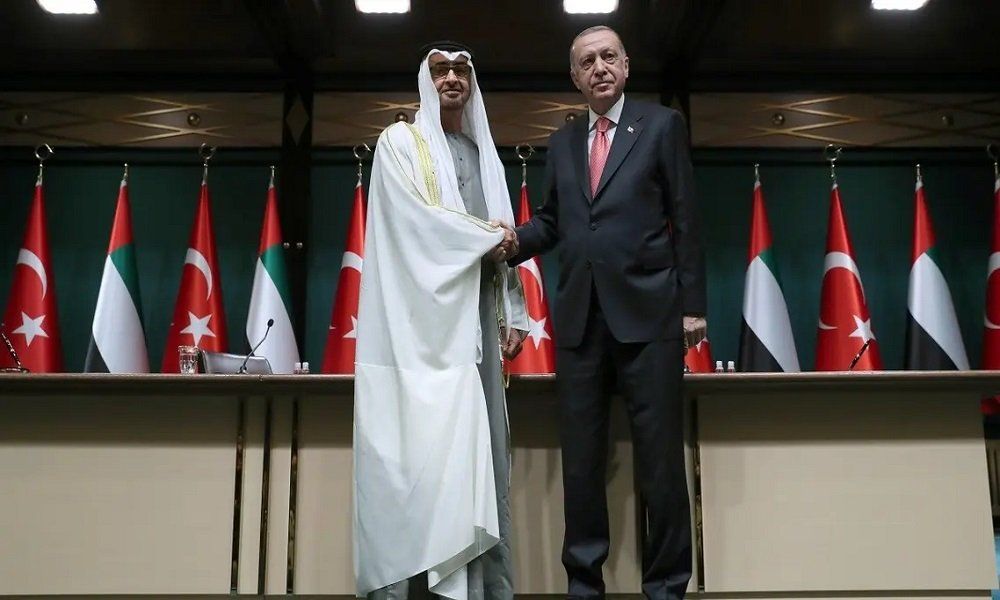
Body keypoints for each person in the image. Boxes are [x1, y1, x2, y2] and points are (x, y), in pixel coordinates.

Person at [508, 25, 707, 600]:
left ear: (626, 65)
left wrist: (693, 307)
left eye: (609, 57)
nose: (599, 67)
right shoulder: (562, 142)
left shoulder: (662, 126)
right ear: (575, 78)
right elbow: (553, 221)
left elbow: (686, 217)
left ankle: (666, 586)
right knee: (581, 465)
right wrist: (510, 240)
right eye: (587, 61)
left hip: (651, 318)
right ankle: (583, 585)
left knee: (660, 464)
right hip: (580, 323)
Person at [352, 41, 528, 600]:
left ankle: (481, 589)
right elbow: (414, 223)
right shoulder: (399, 143)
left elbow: (504, 233)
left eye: (461, 70)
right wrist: (487, 238)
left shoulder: (483, 153)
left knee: (481, 458)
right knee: (415, 459)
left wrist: (513, 309)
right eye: (440, 70)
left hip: (474, 326)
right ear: (424, 82)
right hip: (415, 333)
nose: (451, 78)